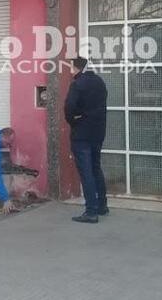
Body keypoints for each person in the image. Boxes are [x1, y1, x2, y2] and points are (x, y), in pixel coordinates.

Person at [65, 56, 108, 223]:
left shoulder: (77, 84)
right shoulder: (99, 82)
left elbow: (69, 106)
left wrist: (73, 121)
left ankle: (91, 211)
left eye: (71, 67)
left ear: (77, 68)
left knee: (86, 171)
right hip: (98, 132)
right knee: (96, 167)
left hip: (81, 134)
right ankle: (102, 205)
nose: (70, 70)